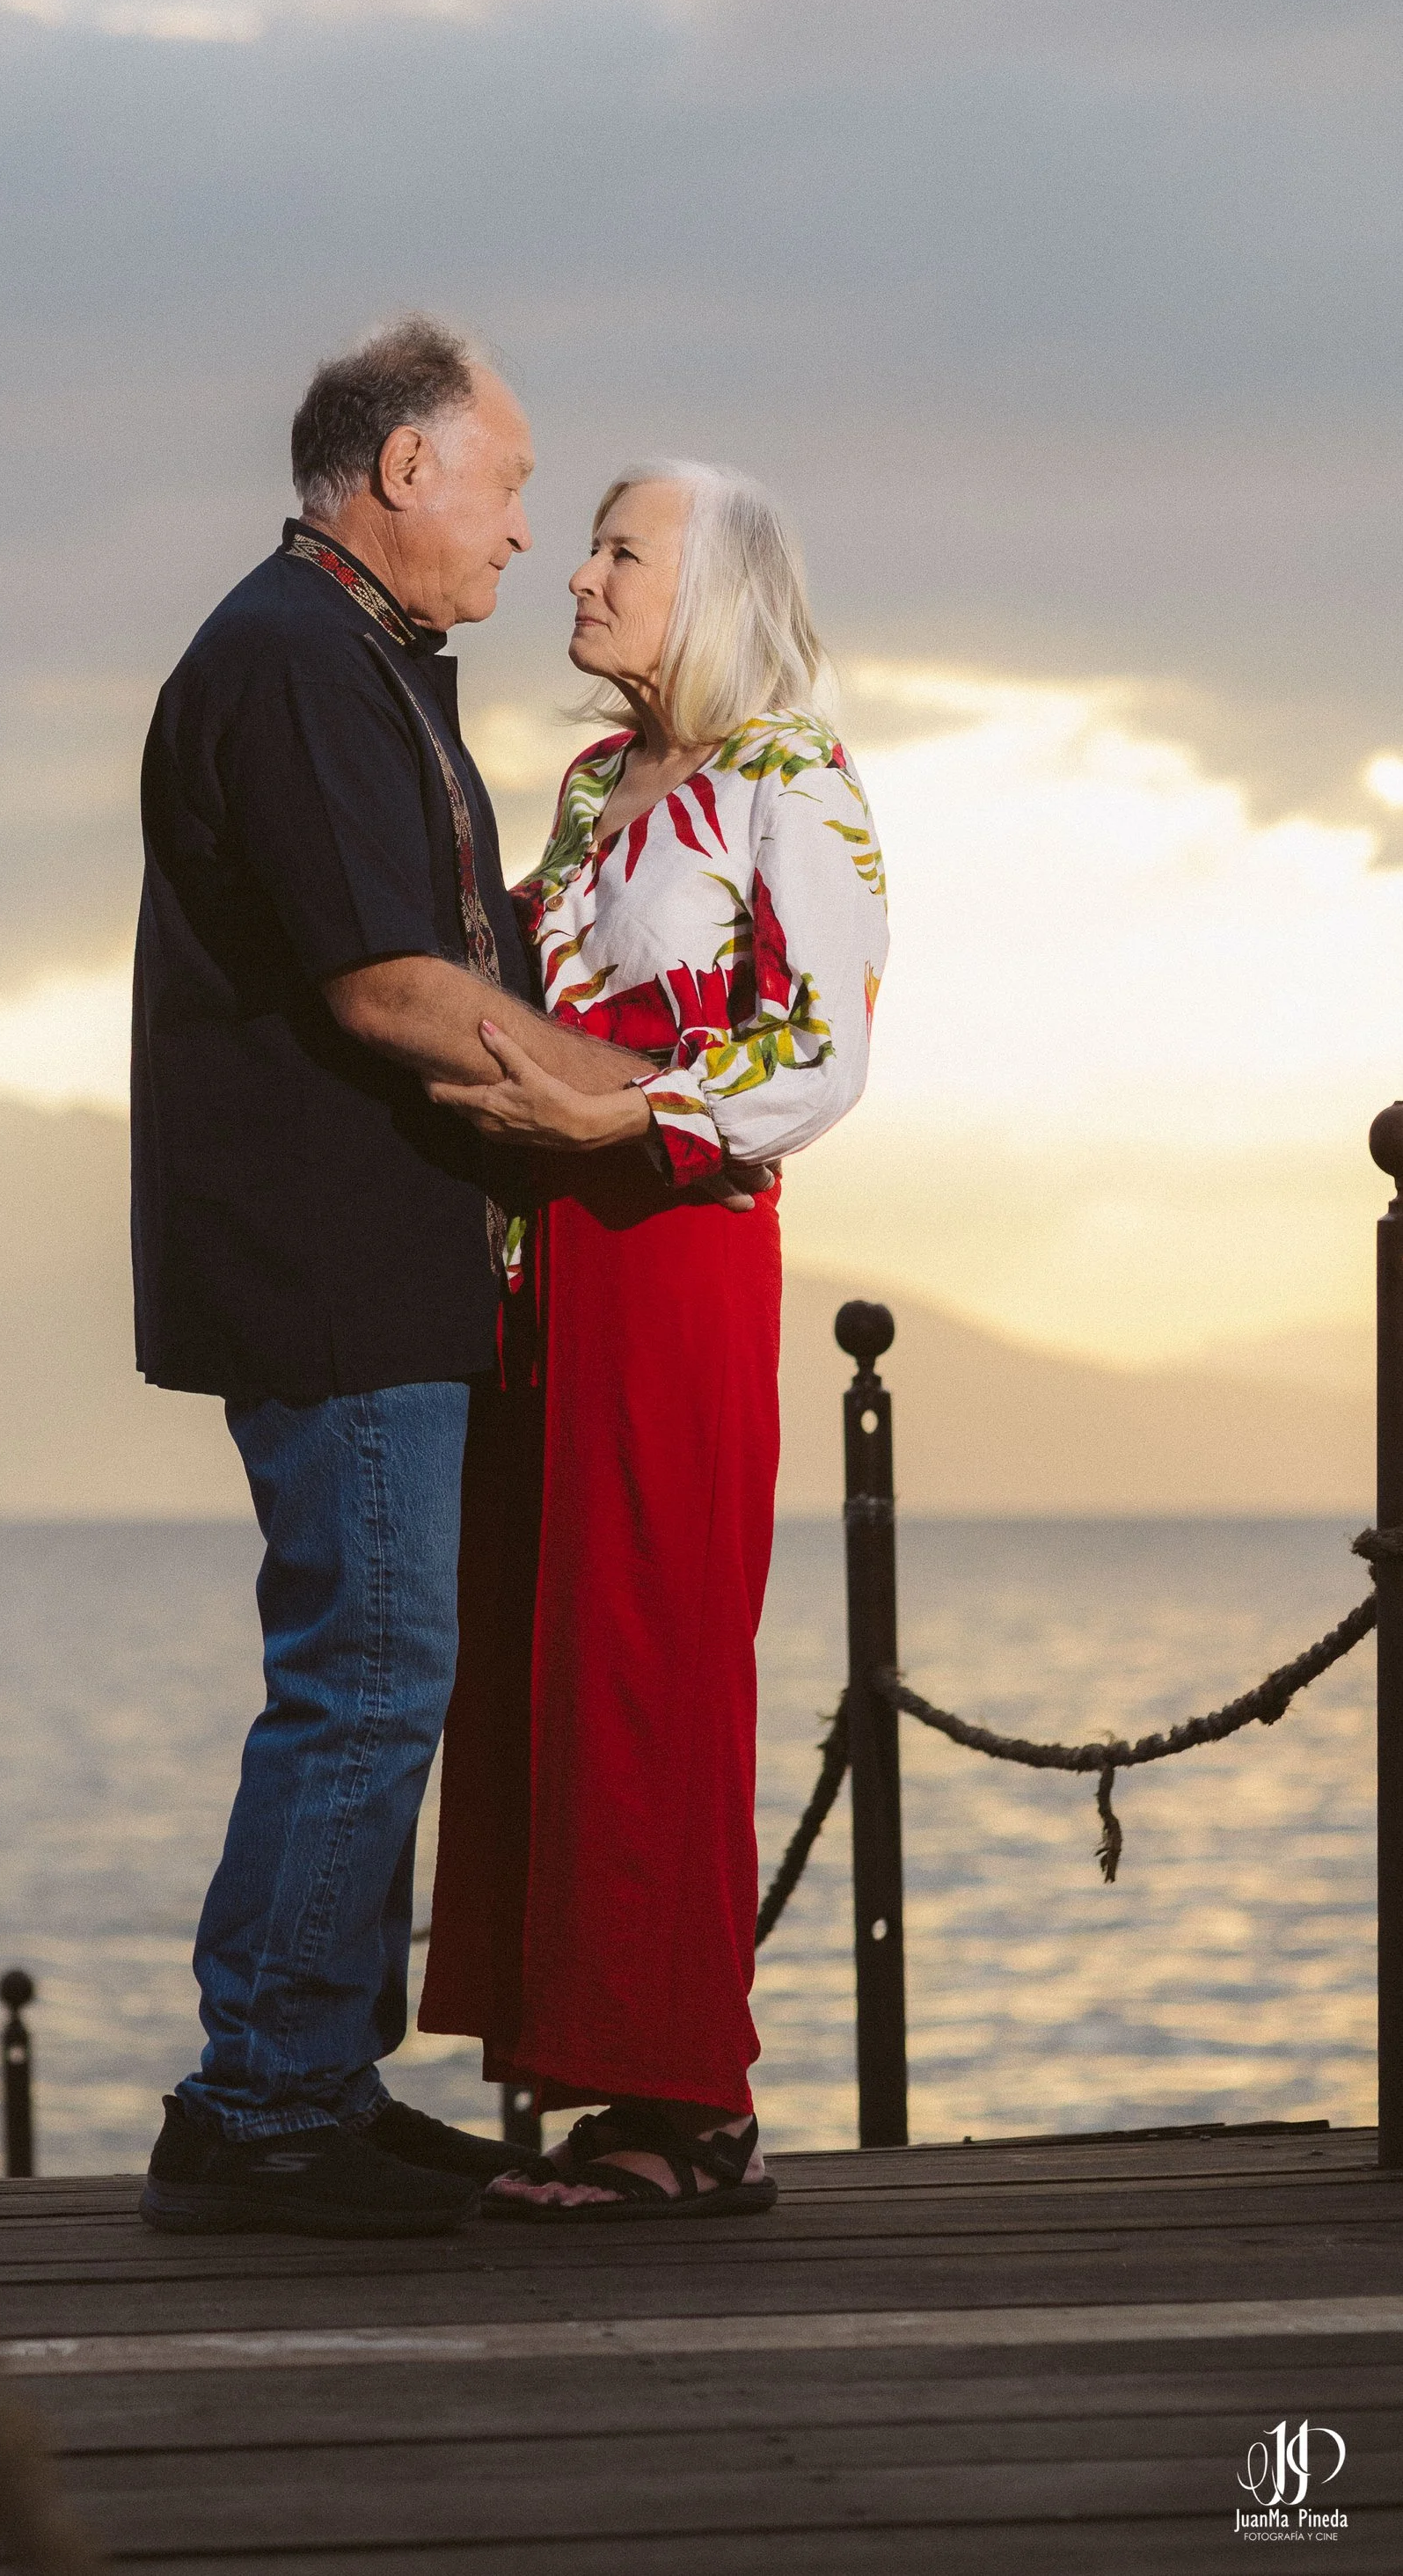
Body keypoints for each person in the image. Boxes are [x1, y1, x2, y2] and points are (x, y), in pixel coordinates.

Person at [130, 319, 687, 2238]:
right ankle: (262, 2105)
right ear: (402, 469)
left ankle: (311, 2078)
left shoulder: (346, 654)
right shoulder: (295, 660)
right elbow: (390, 986)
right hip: (332, 1259)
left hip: (363, 1255)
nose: (528, 529)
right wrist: (654, 1108)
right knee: (366, 1676)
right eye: (510, 484)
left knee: (371, 1670)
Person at [417, 456, 887, 2220]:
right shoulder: (588, 785)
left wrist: (624, 1119)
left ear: (713, 591)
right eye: (590, 544)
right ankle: (589, 2075)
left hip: (676, 1254)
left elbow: (822, 1049)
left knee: (653, 1651)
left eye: (622, 551)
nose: (579, 574)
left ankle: (691, 2109)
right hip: (541, 1269)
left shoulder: (790, 776)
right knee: (539, 1650)